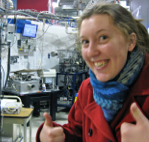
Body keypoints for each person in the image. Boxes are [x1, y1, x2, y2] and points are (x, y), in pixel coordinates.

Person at [36, 3, 149, 142]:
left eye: (103, 37)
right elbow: (77, 132)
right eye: (85, 41)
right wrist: (55, 136)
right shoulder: (88, 89)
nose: (91, 52)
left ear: (130, 42)